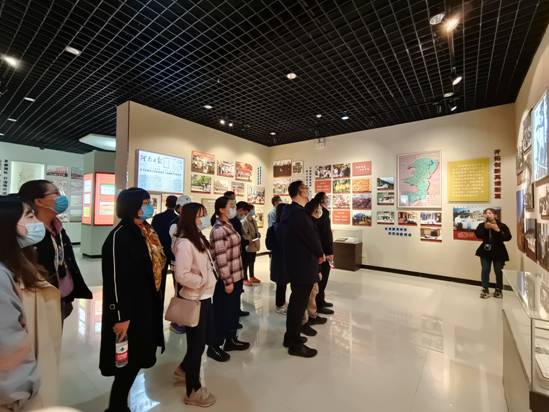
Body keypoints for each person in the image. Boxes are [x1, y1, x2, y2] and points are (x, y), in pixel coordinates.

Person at [99, 188, 166, 412]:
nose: (149, 206)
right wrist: (121, 316)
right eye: (145, 202)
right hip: (129, 311)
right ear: (132, 206)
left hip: (146, 305)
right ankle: (116, 407)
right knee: (126, 362)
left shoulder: (147, 231)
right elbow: (115, 280)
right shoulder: (120, 236)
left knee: (138, 356)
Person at [0, 196, 62, 411]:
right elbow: (8, 352)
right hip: (17, 398)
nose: (36, 222)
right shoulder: (2, 276)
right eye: (29, 216)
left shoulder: (21, 261)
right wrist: (21, 393)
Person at [18, 180, 92, 320]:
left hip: (61, 298)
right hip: (39, 302)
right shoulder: (30, 234)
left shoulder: (58, 228)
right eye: (56, 193)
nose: (61, 197)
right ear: (39, 201)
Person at [172, 203, 217, 407]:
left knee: (201, 342)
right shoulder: (184, 243)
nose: (204, 219)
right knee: (196, 346)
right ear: (191, 218)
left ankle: (183, 370)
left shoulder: (198, 238)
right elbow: (181, 275)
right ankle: (193, 390)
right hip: (194, 299)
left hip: (205, 297)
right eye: (201, 215)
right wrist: (202, 281)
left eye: (205, 214)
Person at [280, 181, 324, 358]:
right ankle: (294, 343)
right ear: (300, 192)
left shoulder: (290, 211)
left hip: (296, 264)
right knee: (298, 305)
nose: (308, 190)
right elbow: (311, 237)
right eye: (305, 188)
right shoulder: (298, 214)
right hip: (303, 265)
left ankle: (290, 336)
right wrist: (320, 253)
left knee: (296, 303)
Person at [207, 196, 250, 362]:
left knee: (232, 312)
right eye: (231, 205)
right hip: (227, 279)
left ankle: (230, 339)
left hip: (236, 276)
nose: (234, 208)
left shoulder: (229, 225)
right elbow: (221, 258)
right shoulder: (218, 230)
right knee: (222, 313)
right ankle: (214, 346)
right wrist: (227, 281)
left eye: (234, 205)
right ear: (221, 209)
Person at [167, 194, 193, 335]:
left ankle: (184, 318)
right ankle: (177, 321)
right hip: (177, 262)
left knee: (187, 290)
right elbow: (177, 245)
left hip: (189, 262)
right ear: (179, 208)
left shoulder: (189, 223)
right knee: (179, 291)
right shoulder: (175, 224)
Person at [474, 208, 512, 299]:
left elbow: (508, 237)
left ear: (495, 215)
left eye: (490, 213)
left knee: (498, 271)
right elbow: (478, 235)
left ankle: (498, 290)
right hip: (485, 251)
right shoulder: (482, 225)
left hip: (499, 251)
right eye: (486, 213)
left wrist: (498, 230)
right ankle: (485, 289)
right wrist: (485, 228)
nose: (488, 214)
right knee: (485, 270)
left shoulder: (502, 225)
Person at [311, 192, 335, 314]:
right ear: (321, 200)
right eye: (326, 198)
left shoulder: (323, 213)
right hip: (323, 251)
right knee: (322, 278)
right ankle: (319, 304)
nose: (328, 199)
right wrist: (329, 252)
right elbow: (325, 235)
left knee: (324, 278)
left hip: (323, 250)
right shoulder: (321, 214)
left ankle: (321, 300)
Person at [151, 195, 178, 302]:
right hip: (174, 253)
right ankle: (178, 304)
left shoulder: (157, 217)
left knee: (160, 281)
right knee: (177, 282)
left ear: (166, 203)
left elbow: (153, 235)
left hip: (160, 252)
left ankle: (158, 304)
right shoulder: (177, 219)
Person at [266, 203, 288, 314]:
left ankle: (281, 302)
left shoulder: (272, 228)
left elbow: (268, 245)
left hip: (277, 258)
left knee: (281, 282)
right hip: (285, 259)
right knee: (282, 282)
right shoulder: (288, 228)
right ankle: (280, 304)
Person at [231, 201, 250, 317]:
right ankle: (234, 312)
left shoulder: (234, 221)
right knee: (235, 288)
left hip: (238, 255)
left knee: (237, 287)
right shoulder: (233, 222)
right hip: (235, 257)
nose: (244, 215)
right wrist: (246, 241)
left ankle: (236, 310)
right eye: (244, 213)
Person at [242, 203, 261, 287]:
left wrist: (258, 234)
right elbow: (244, 234)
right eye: (253, 209)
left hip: (254, 244)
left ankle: (252, 276)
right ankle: (245, 278)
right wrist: (250, 238)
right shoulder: (244, 221)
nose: (254, 211)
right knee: (246, 262)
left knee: (252, 261)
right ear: (248, 211)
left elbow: (256, 230)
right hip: (249, 244)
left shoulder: (253, 220)